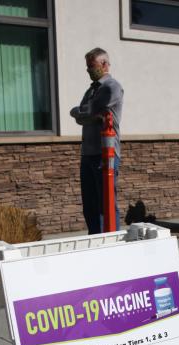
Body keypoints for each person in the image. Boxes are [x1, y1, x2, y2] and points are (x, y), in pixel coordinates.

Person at [70, 47, 123, 235]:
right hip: (87, 154)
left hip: (105, 155)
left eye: (91, 66)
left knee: (106, 205)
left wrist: (84, 112)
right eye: (87, 67)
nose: (89, 70)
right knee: (90, 206)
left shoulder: (112, 87)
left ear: (104, 64)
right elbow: (82, 115)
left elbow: (88, 111)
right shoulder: (90, 90)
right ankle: (95, 243)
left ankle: (112, 244)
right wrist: (86, 113)